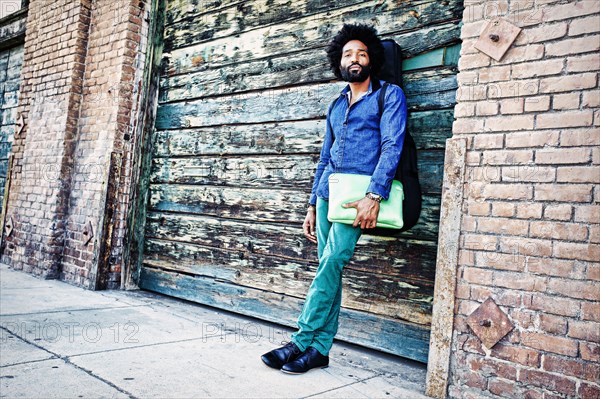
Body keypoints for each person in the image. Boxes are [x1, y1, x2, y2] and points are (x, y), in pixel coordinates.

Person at [261, 23, 407, 374]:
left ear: (371, 59)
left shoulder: (389, 95)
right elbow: (325, 157)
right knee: (331, 266)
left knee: (331, 262)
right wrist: (312, 203)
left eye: (361, 53)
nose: (354, 59)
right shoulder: (336, 104)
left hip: (359, 197)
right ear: (338, 61)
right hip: (329, 193)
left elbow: (392, 146)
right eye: (347, 54)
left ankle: (301, 339)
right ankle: (320, 350)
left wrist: (374, 195)